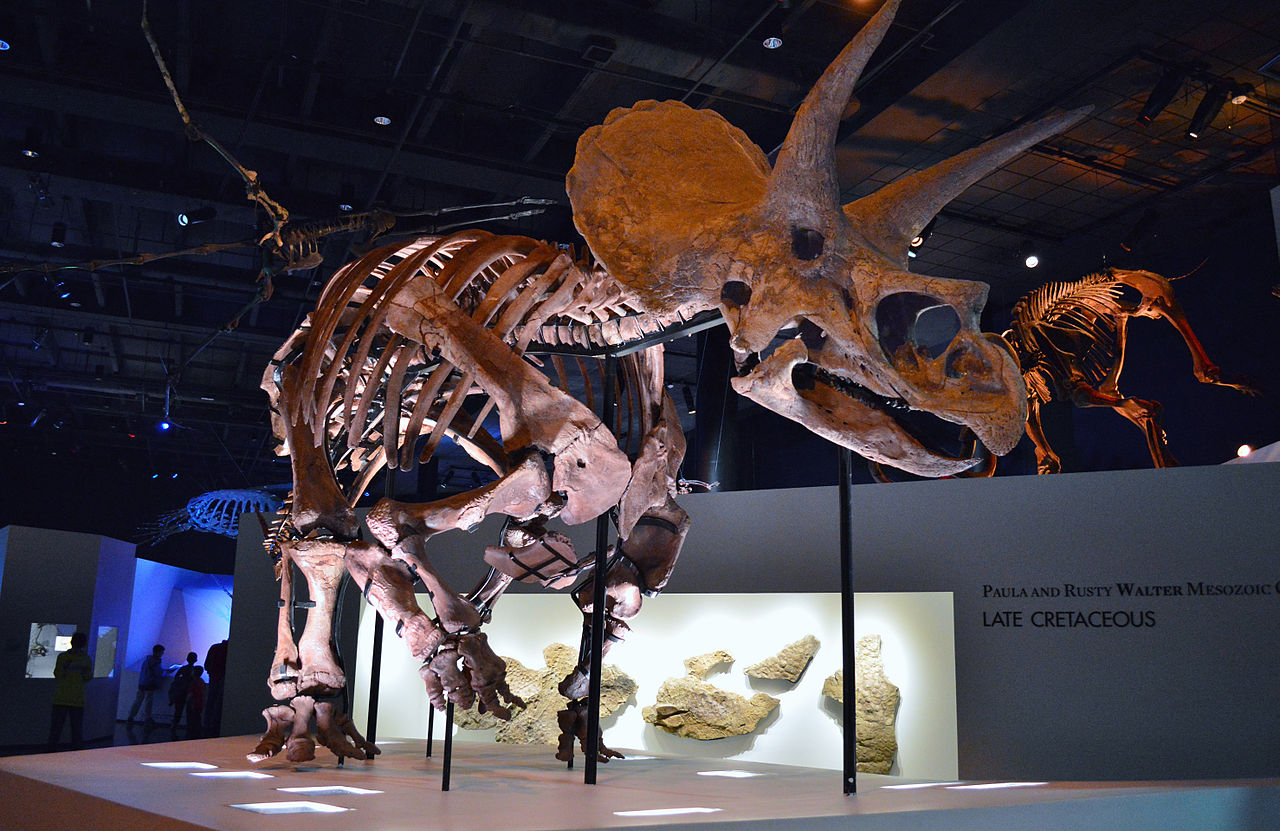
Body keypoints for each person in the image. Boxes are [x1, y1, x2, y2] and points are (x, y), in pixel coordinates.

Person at [48, 631, 94, 751]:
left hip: (68, 699)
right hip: (69, 699)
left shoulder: (66, 657)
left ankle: (52, 752)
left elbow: (87, 676)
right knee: (69, 729)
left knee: (63, 729)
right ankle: (71, 753)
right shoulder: (82, 659)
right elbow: (58, 674)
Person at [127, 644, 165, 724]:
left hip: (142, 683)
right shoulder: (155, 662)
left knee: (138, 700)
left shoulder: (147, 661)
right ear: (158, 652)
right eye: (162, 652)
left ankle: (131, 716)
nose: (162, 654)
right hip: (149, 683)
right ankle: (147, 717)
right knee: (148, 701)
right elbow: (157, 672)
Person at [168, 652, 200, 728]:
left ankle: (174, 726)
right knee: (189, 712)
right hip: (190, 693)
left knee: (178, 711)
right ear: (195, 660)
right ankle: (189, 728)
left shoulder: (183, 668)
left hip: (180, 692)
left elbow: (176, 677)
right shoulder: (194, 670)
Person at [203, 639, 228, 737]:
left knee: (211, 703)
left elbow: (207, 665)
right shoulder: (225, 649)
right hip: (220, 679)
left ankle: (208, 727)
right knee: (217, 704)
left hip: (214, 678)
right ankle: (213, 727)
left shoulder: (215, 647)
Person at [185, 667, 207, 739]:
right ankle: (197, 733)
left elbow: (190, 694)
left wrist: (187, 701)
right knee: (197, 718)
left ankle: (191, 734)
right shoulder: (202, 681)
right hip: (200, 703)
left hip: (193, 704)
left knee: (191, 719)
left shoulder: (194, 682)